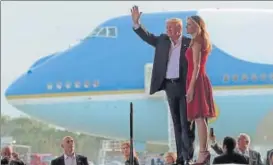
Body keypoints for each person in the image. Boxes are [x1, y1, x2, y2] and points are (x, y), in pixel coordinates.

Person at [131, 5, 195, 165]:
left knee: (186, 124)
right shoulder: (162, 41)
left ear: (179, 29)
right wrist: (137, 23)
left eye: (170, 28)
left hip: (184, 86)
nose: (167, 30)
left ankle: (188, 156)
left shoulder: (189, 43)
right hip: (169, 86)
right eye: (167, 28)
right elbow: (147, 37)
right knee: (177, 124)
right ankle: (181, 157)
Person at [185, 15, 216, 165]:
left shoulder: (197, 41)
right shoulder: (200, 40)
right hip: (198, 79)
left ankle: (203, 152)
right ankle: (204, 151)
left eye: (190, 24)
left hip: (196, 81)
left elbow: (196, 66)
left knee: (199, 117)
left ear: (198, 25)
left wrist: (191, 87)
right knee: (200, 118)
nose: (187, 27)